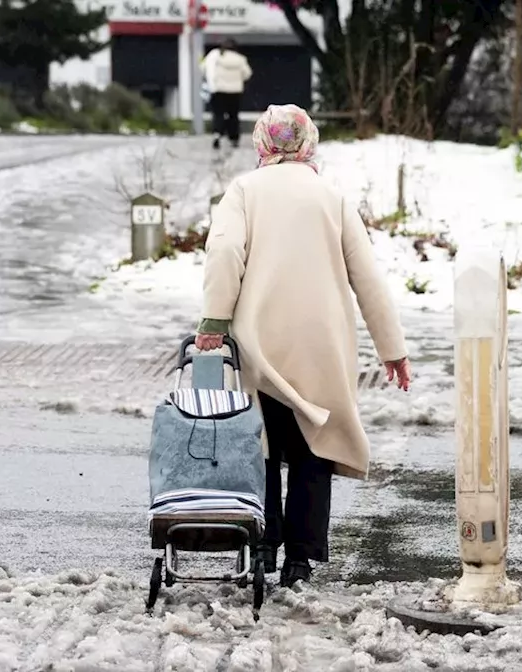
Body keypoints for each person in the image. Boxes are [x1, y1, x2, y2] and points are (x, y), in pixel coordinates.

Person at [195, 104, 412, 589]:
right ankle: (302, 558)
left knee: (262, 445)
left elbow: (226, 251)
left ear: (263, 142)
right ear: (308, 142)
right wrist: (392, 350)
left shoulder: (244, 191)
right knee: (315, 447)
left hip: (260, 340)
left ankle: (265, 544)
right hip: (323, 344)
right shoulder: (330, 196)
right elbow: (368, 277)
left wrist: (214, 320)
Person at [202, 39, 253, 149]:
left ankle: (217, 134)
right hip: (235, 91)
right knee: (233, 115)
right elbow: (247, 74)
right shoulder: (240, 59)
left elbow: (204, 68)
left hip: (219, 90)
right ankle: (233, 138)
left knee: (218, 114)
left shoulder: (217, 57)